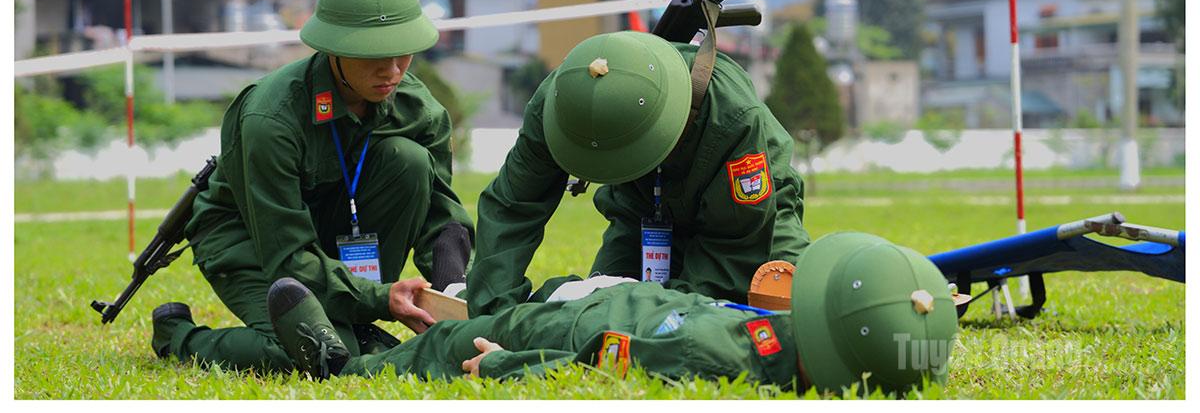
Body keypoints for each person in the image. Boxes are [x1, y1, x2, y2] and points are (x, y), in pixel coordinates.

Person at [151, 0, 476, 373]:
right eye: (373, 55)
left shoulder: (417, 109)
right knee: (310, 351)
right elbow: (286, 254)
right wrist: (379, 299)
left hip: (332, 225)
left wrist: (455, 293)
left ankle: (350, 318)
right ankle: (178, 337)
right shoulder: (270, 118)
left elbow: (440, 214)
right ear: (334, 49)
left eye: (402, 52)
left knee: (409, 160)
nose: (391, 71)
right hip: (247, 237)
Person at [267, 232, 958, 396]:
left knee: (440, 346)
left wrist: (504, 363)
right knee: (455, 311)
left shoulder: (719, 365)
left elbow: (597, 365)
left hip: (562, 329)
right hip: (593, 292)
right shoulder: (770, 334)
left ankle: (342, 364)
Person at [468, 29, 809, 317]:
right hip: (642, 215)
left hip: (754, 218)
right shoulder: (560, 103)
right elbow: (513, 203)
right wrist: (491, 310)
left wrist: (664, 309)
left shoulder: (733, 117)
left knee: (784, 303)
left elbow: (734, 249)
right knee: (601, 312)